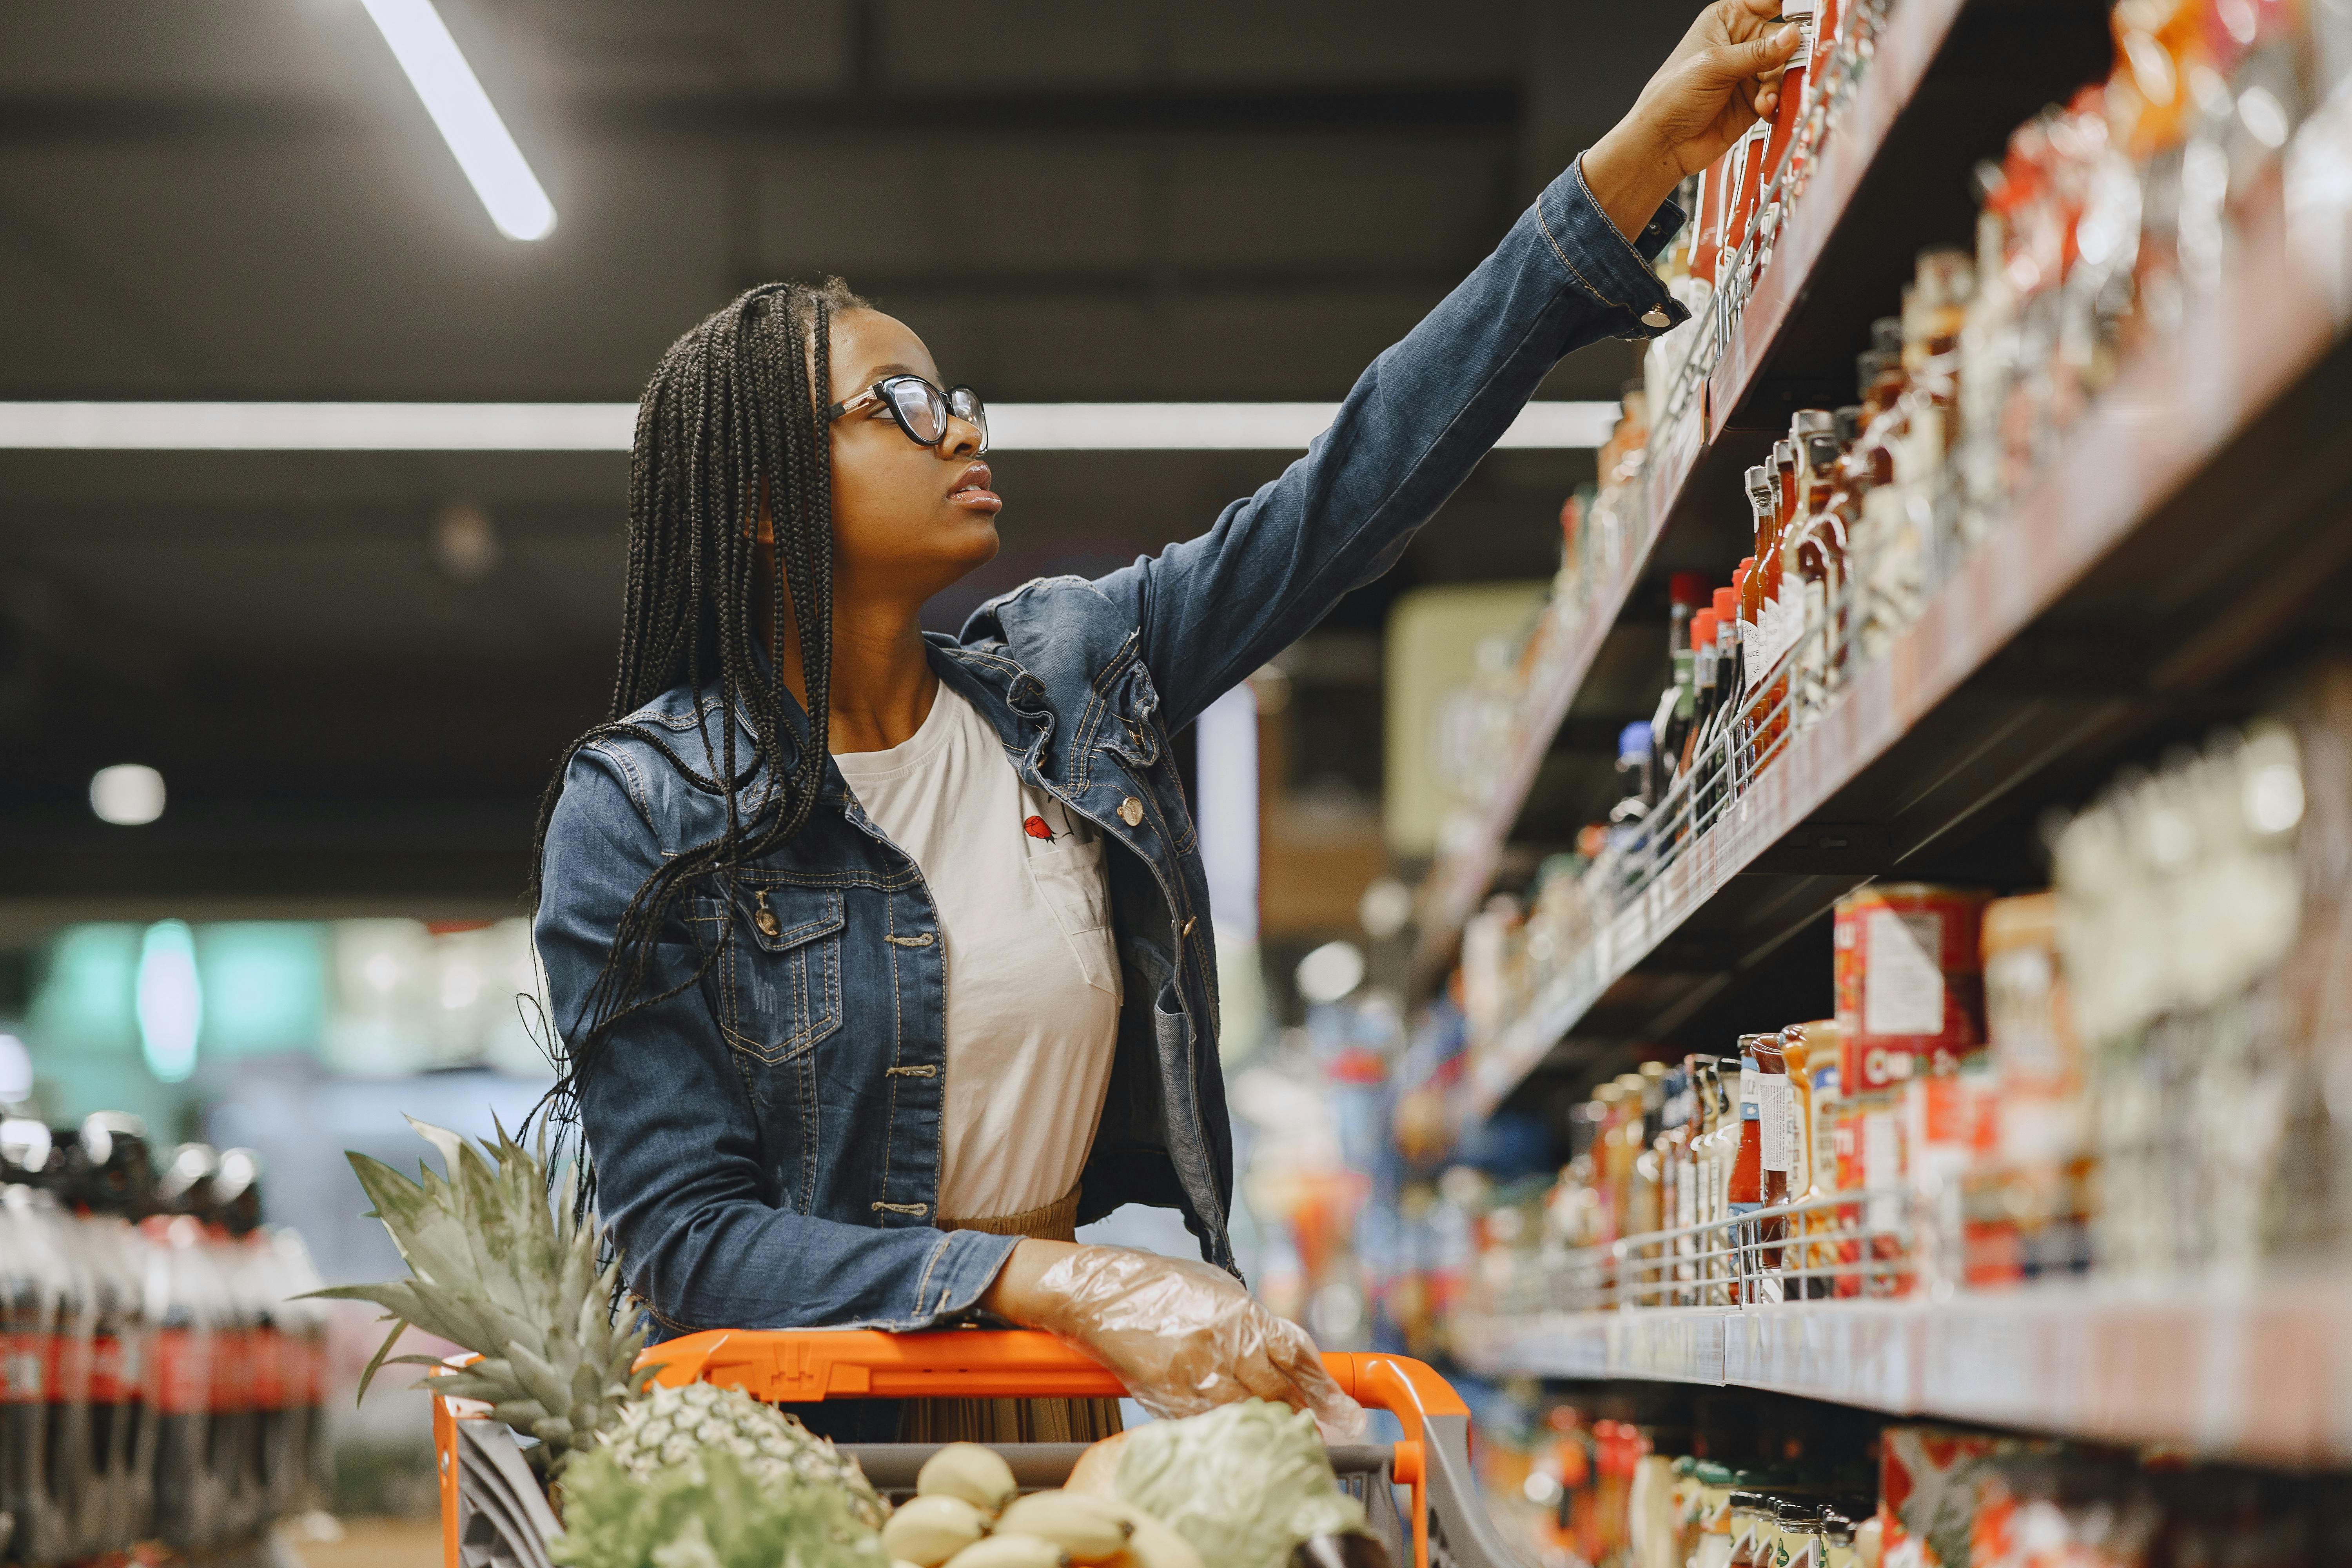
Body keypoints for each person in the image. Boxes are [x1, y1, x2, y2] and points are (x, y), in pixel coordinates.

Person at [533, 0, 1804, 1443]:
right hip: (785, 1462)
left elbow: (1349, 488)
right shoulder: (641, 814)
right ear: (764, 500)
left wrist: (1629, 171)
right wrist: (1051, 1284)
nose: (961, 428)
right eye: (897, 401)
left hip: (1057, 1430)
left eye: (956, 394)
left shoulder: (1064, 683)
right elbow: (690, 1246)